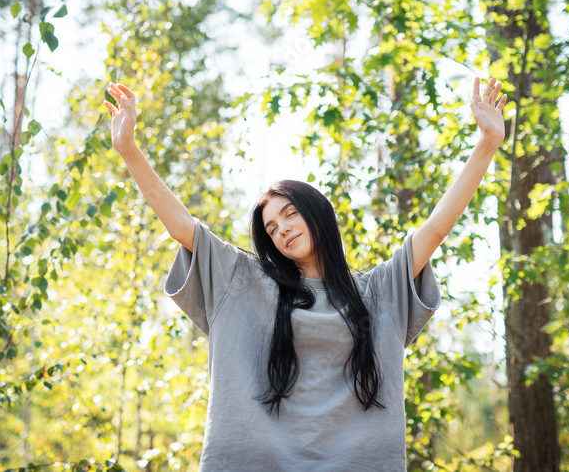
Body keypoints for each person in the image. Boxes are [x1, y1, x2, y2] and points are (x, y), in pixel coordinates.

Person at [104, 77, 507, 471]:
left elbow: (435, 228)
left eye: (290, 214)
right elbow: (182, 225)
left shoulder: (379, 290)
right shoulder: (242, 280)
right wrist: (128, 148)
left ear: (317, 212)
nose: (282, 231)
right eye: (272, 229)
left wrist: (487, 144)